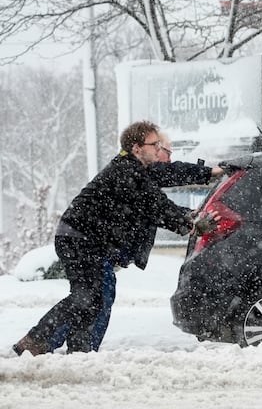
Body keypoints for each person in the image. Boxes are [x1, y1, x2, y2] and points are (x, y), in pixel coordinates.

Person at [13, 121, 219, 356]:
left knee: (96, 297)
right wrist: (190, 224)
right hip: (80, 239)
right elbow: (157, 205)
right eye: (155, 144)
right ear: (137, 148)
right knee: (90, 295)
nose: (159, 149)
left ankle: (79, 350)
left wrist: (210, 173)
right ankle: (37, 341)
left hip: (83, 239)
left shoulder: (137, 168)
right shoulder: (128, 172)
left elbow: (170, 173)